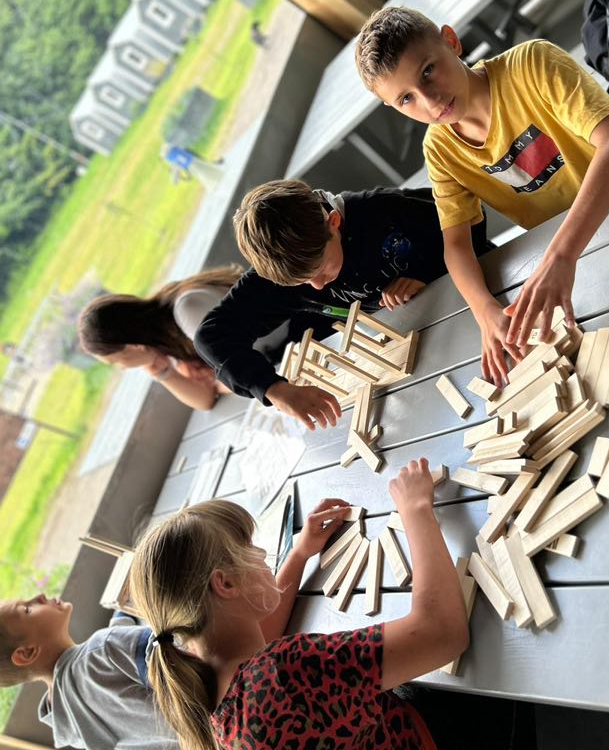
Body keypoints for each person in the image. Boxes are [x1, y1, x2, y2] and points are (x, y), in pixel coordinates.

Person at [355, 6, 609, 386]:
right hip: (589, 249)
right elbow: (456, 246)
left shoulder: (532, 63)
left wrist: (560, 257)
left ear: (451, 41)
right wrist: (485, 311)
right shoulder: (440, 149)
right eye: (406, 99)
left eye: (428, 71)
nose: (429, 101)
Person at [129, 458, 467, 750]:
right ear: (226, 584)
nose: (262, 552)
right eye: (248, 547)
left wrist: (300, 554)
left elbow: (259, 637)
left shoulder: (207, 690)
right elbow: (442, 632)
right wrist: (415, 508)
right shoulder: (288, 670)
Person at [194, 181, 491, 430]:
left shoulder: (383, 209)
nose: (317, 286)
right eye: (301, 282)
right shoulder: (284, 266)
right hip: (423, 342)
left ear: (334, 223)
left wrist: (425, 273)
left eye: (321, 269)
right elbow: (212, 336)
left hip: (482, 301)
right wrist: (273, 389)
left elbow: (467, 215)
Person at [0, 600, 175, 750]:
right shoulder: (102, 650)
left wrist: (122, 610)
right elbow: (170, 651)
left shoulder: (65, 717)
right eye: (27, 609)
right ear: (27, 652)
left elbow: (117, 660)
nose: (39, 597)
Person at [78, 268, 243, 411]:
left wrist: (221, 384)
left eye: (116, 362)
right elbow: (206, 400)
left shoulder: (187, 311)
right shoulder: (169, 336)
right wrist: (164, 374)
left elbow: (244, 372)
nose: (122, 368)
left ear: (133, 346)